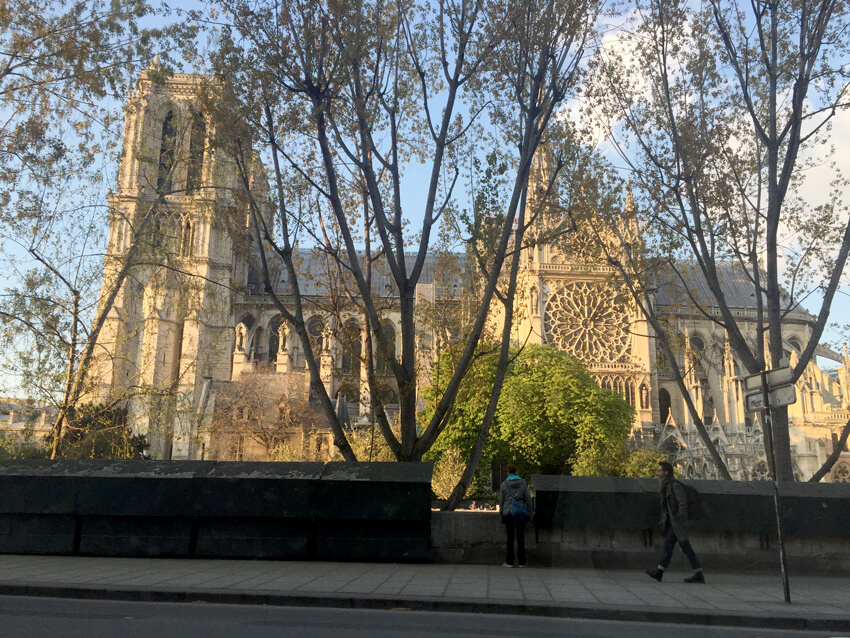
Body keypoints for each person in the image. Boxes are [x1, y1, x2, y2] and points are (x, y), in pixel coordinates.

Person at [646, 461, 705, 583]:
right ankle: (698, 573)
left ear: (666, 472)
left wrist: (678, 518)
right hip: (675, 523)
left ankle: (659, 572)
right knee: (685, 548)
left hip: (678, 523)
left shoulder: (674, 485)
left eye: (660, 471)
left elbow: (682, 503)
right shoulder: (667, 485)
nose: (658, 473)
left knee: (669, 545)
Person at [499, 464, 533, 567]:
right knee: (520, 538)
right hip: (520, 512)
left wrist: (501, 515)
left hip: (508, 512)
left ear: (508, 473)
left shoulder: (504, 484)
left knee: (510, 538)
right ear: (516, 472)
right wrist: (530, 512)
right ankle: (522, 562)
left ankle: (509, 561)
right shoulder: (523, 483)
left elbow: (501, 501)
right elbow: (528, 499)